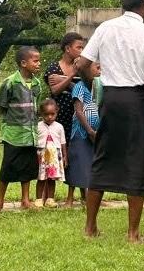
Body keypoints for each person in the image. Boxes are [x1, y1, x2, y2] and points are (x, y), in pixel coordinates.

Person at [75, 0, 144, 243]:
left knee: (103, 158)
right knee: (137, 162)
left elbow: (82, 63)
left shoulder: (105, 28)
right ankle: (133, 233)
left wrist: (92, 82)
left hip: (111, 98)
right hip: (138, 102)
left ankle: (90, 227)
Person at [0, 46, 43, 216]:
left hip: (31, 134)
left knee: (27, 167)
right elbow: (2, 107)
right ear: (23, 63)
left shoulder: (37, 83)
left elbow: (36, 107)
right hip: (13, 134)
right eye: (36, 60)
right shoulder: (10, 82)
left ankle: (25, 200)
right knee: (8, 168)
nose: (39, 63)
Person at [44, 33, 85, 203]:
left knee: (77, 154)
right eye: (78, 47)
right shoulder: (53, 68)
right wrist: (70, 77)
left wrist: (65, 81)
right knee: (53, 153)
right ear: (68, 48)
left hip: (77, 116)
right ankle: (47, 196)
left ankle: (83, 194)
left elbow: (86, 86)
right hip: (59, 117)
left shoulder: (83, 68)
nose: (81, 51)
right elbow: (55, 90)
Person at [66, 62, 101, 203]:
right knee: (77, 163)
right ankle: (70, 198)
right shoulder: (80, 87)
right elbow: (79, 112)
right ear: (86, 70)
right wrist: (89, 130)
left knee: (89, 163)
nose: (100, 71)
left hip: (95, 132)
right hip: (81, 131)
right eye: (97, 68)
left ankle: (86, 196)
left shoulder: (97, 87)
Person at [36, 98, 67, 208]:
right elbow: (35, 142)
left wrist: (64, 157)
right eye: (46, 114)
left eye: (52, 114)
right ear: (41, 114)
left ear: (56, 112)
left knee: (51, 179)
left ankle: (50, 199)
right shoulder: (38, 126)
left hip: (54, 157)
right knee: (41, 178)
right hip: (42, 156)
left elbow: (63, 143)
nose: (49, 117)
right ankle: (39, 200)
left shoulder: (59, 127)